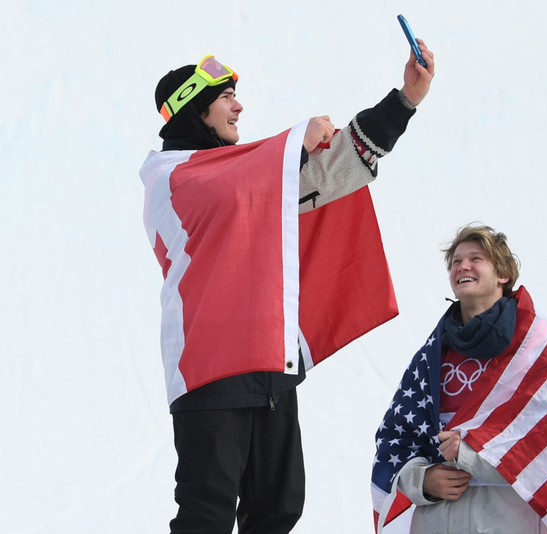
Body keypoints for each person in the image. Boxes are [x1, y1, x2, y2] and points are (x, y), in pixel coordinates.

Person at [140, 39, 434, 534]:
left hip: (269, 362)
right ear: (194, 107)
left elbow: (336, 168)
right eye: (224, 96)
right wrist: (295, 139)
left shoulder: (253, 178)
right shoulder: (169, 177)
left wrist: (405, 99)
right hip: (208, 370)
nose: (239, 105)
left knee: (278, 509)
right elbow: (225, 189)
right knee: (205, 515)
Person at [371, 225, 547, 534]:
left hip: (506, 521)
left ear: (503, 274)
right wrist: (421, 481)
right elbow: (396, 439)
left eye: (475, 258)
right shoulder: (431, 356)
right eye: (456, 261)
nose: (462, 266)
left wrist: (472, 455)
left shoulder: (535, 348)